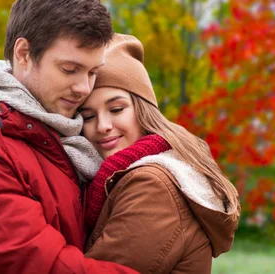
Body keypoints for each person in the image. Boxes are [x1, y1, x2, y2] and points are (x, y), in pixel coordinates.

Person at [0, 0, 137, 273]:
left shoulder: (66, 131)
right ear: (23, 54)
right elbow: (37, 265)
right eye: (69, 69)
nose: (84, 88)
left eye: (93, 72)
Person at [79, 34, 241, 274]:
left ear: (143, 110)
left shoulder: (152, 186)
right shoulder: (122, 178)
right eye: (88, 116)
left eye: (116, 109)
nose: (102, 125)